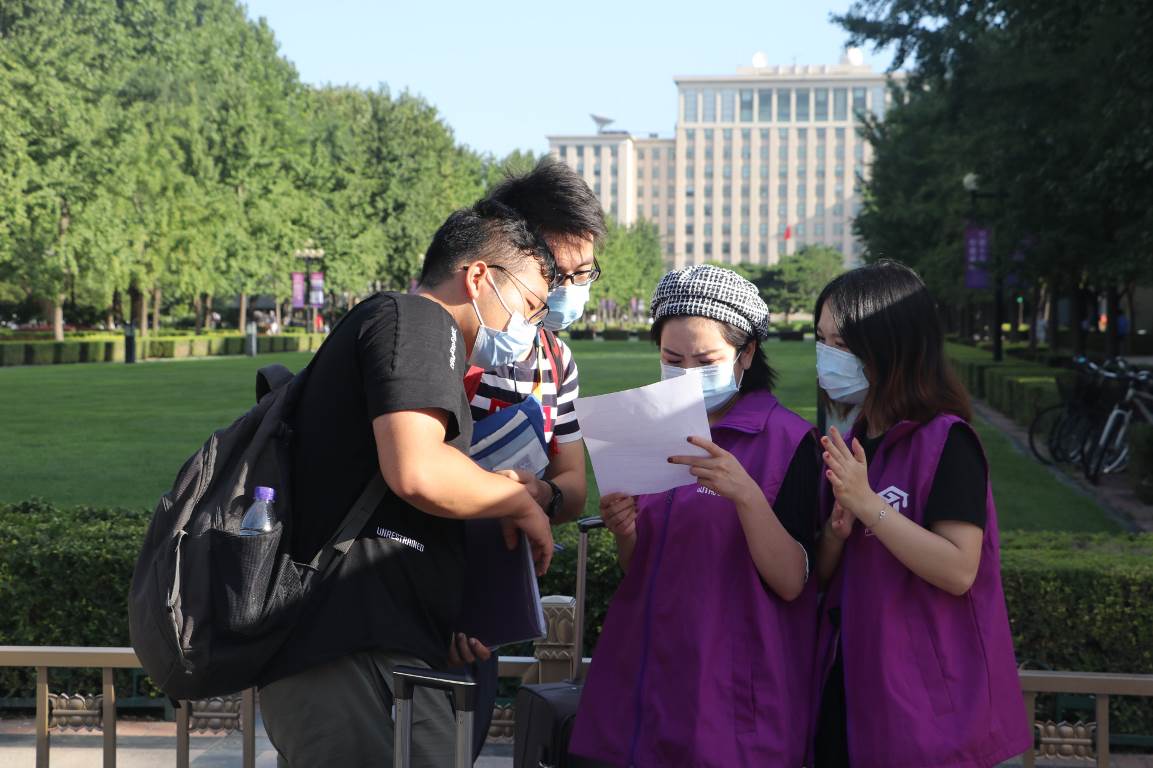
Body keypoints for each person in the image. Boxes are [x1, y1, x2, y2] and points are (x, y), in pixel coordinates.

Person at [257, 200, 558, 767]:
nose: (531, 325)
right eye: (529, 304)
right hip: (344, 655)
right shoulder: (417, 320)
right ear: (479, 277)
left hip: (379, 651)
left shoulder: (414, 334)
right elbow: (417, 471)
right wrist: (519, 501)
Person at [569, 264, 821, 767]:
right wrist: (626, 532)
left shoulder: (790, 441)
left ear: (746, 353)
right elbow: (640, 566)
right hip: (641, 686)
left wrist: (746, 495)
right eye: (671, 359)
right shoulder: (647, 427)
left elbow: (794, 580)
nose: (686, 374)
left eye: (705, 361)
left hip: (729, 696)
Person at [812, 260, 1029, 767]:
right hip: (853, 694)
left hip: (933, 718)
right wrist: (836, 534)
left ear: (892, 346)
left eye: (843, 344)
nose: (827, 357)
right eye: (822, 340)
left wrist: (869, 505)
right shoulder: (850, 442)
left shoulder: (946, 441)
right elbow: (821, 577)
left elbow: (958, 569)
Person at [450, 158, 606, 755]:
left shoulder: (554, 359)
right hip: (406, 606)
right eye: (558, 273)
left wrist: (538, 493)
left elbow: (572, 489)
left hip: (483, 619)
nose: (569, 290)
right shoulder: (443, 339)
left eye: (584, 273)